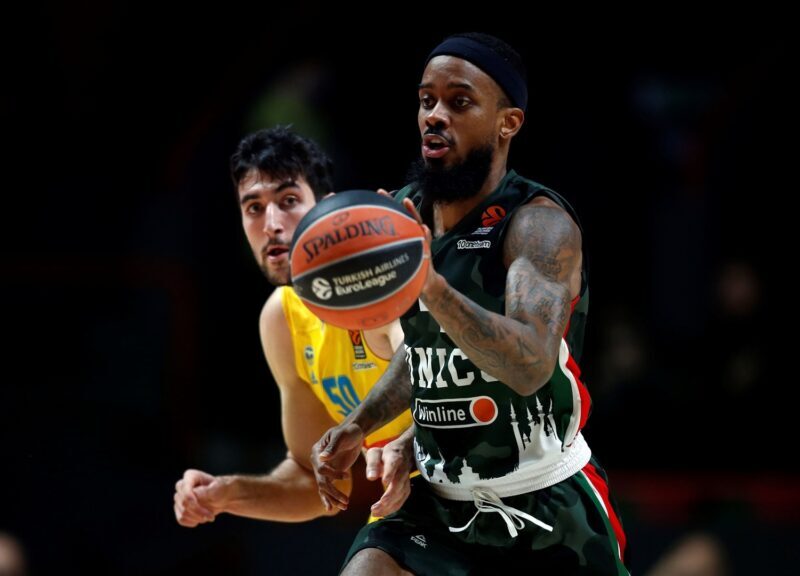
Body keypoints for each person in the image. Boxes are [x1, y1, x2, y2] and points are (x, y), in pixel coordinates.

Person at [311, 33, 630, 574]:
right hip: (437, 506)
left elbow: (529, 365)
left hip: (546, 507)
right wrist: (358, 425)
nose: (435, 116)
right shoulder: (403, 218)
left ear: (508, 123)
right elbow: (425, 348)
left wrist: (431, 286)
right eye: (426, 100)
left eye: (459, 102)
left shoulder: (537, 224)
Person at [173, 126, 413, 526]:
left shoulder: (376, 278)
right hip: (417, 508)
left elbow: (429, 366)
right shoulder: (282, 318)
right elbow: (315, 481)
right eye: (254, 208)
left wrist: (405, 444)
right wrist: (228, 493)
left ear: (327, 207)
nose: (271, 224)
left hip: (495, 473)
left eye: (288, 201)